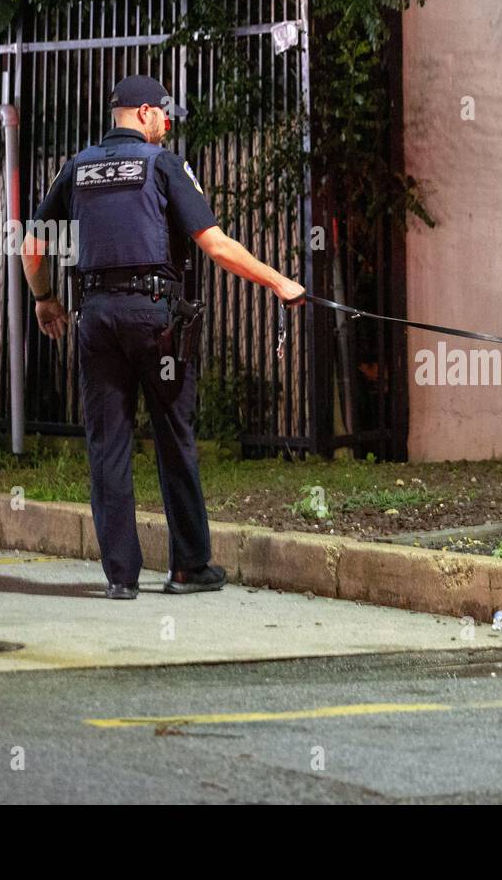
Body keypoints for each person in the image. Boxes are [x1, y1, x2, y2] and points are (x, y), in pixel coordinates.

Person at [20, 74, 305, 600]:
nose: (166, 129)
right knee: (174, 437)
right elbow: (216, 247)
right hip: (155, 320)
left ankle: (120, 578)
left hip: (96, 317)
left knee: (108, 444)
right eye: (165, 119)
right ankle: (188, 568)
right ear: (146, 112)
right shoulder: (162, 165)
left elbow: (32, 246)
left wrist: (44, 299)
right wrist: (278, 281)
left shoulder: (77, 167)